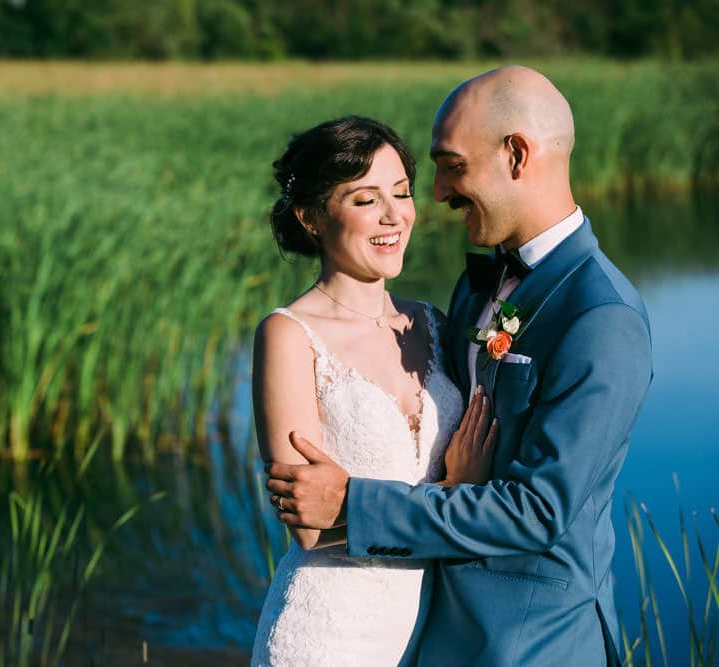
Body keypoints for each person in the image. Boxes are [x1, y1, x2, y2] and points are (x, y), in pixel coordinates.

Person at [265, 66, 653, 666]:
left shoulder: (602, 315)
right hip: (420, 628)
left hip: (526, 643)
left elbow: (540, 509)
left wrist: (353, 504)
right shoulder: (474, 293)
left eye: (451, 165)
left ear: (516, 154)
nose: (437, 192)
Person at [250, 116, 498, 665]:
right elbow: (312, 529)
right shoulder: (289, 335)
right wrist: (458, 496)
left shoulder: (431, 323)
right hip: (327, 633)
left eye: (402, 193)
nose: (394, 217)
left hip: (425, 632)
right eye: (365, 200)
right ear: (311, 217)